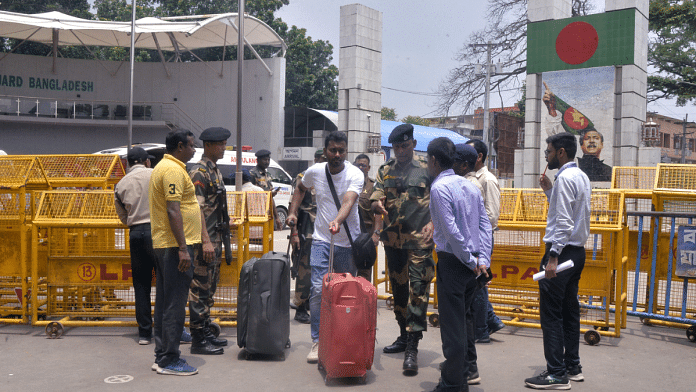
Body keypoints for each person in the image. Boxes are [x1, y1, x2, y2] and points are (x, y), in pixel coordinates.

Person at [286, 131, 363, 364]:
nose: (337, 154)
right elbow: (300, 188)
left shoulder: (355, 174)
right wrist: (292, 212)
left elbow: (349, 200)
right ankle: (318, 340)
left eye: (341, 150)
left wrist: (338, 220)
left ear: (346, 151)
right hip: (321, 239)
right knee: (319, 290)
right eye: (333, 150)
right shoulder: (315, 171)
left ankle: (343, 338)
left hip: (348, 243)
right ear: (325, 151)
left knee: (345, 293)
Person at [524, 132, 590, 390]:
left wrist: (553, 257)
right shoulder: (581, 176)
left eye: (548, 151)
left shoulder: (565, 179)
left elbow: (563, 222)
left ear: (561, 152)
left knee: (551, 314)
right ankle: (572, 365)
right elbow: (570, 215)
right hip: (577, 253)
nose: (546, 155)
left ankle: (556, 373)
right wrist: (549, 192)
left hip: (560, 255)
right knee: (569, 310)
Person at [427, 137, 492, 392]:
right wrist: (481, 259)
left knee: (453, 327)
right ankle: (461, 374)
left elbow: (451, 232)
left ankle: (453, 384)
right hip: (471, 261)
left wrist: (469, 260)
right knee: (463, 322)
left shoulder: (439, 188)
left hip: (454, 262)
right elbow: (484, 225)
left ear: (433, 160)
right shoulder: (469, 186)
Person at [370, 123, 434, 375]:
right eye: (397, 147)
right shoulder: (385, 170)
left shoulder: (428, 169)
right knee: (398, 292)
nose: (401, 151)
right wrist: (376, 205)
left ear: (414, 144)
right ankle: (402, 335)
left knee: (417, 290)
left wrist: (433, 222)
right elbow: (376, 195)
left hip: (419, 243)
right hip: (394, 241)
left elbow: (440, 199)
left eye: (405, 146)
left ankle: (413, 348)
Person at [149, 130, 214, 376]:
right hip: (175, 247)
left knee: (166, 304)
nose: (195, 149)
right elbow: (173, 210)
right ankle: (169, 359)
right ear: (179, 146)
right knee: (175, 306)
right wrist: (183, 248)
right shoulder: (174, 170)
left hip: (168, 245)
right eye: (191, 145)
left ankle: (162, 355)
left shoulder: (166, 167)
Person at [187, 127, 232, 355]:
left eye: (224, 143)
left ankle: (205, 332)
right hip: (204, 242)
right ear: (208, 146)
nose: (224, 147)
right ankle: (197, 340)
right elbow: (197, 210)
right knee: (200, 290)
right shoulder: (200, 172)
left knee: (209, 288)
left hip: (214, 240)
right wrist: (205, 241)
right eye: (220, 144)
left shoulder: (215, 171)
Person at [114, 147, 157, 345]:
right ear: (145, 161)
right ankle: (166, 329)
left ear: (129, 163)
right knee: (164, 282)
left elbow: (123, 216)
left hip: (135, 234)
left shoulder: (121, 183)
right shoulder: (156, 175)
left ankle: (144, 333)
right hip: (158, 232)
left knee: (141, 285)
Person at [465, 139, 506, 343]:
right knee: (477, 282)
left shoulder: (487, 180)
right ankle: (490, 319)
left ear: (479, 157)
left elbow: (491, 215)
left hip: (481, 238)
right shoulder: (470, 177)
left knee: (478, 283)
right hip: (473, 237)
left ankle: (481, 330)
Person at [289, 149, 326, 324]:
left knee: (318, 270)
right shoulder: (304, 177)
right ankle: (301, 307)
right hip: (307, 233)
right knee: (304, 270)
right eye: (320, 159)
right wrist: (294, 233)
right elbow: (293, 208)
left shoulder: (329, 178)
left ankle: (313, 304)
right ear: (315, 159)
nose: (323, 162)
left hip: (322, 234)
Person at [354, 153, 375, 281]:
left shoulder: (373, 186)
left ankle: (364, 300)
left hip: (366, 235)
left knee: (364, 273)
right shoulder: (348, 182)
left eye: (364, 165)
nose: (361, 167)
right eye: (358, 165)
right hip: (349, 235)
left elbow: (377, 210)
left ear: (369, 167)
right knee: (347, 271)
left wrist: (376, 233)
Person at [249, 149, 282, 230]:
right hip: (255, 213)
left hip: (266, 213)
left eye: (268, 160)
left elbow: (270, 198)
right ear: (258, 160)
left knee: (267, 240)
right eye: (264, 160)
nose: (267, 162)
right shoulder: (252, 174)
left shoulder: (267, 175)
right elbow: (249, 195)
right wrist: (266, 194)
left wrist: (277, 217)